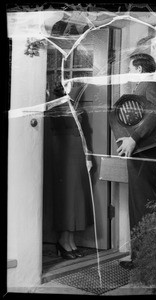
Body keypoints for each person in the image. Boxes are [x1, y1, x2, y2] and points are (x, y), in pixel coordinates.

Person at [116, 53, 156, 269]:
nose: (129, 72)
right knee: (141, 205)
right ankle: (143, 258)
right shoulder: (148, 84)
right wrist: (128, 136)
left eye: (130, 68)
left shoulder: (150, 82)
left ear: (139, 69)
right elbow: (147, 116)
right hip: (142, 151)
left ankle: (148, 261)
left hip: (146, 151)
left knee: (144, 206)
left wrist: (134, 138)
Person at [49, 83, 93, 260]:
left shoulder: (76, 106)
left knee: (77, 198)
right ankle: (62, 241)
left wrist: (89, 156)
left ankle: (70, 240)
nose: (74, 87)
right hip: (65, 156)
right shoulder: (56, 105)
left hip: (78, 155)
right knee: (68, 197)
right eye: (70, 84)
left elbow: (84, 134)